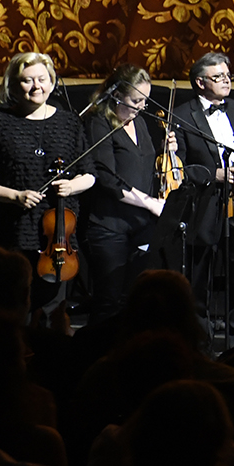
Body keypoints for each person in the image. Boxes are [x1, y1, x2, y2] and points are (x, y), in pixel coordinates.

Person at [0, 52, 96, 306]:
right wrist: (14, 196)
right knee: (9, 306)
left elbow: (89, 175)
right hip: (12, 233)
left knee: (51, 310)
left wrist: (72, 186)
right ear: (13, 85)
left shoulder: (69, 123)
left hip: (58, 238)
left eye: (42, 79)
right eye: (27, 80)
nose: (36, 86)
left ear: (52, 82)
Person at [79, 65, 179, 327]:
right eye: (136, 101)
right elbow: (107, 178)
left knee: (136, 299)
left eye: (145, 100)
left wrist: (165, 150)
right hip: (109, 226)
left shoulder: (140, 122)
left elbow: (140, 164)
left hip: (141, 225)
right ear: (116, 95)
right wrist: (149, 203)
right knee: (108, 300)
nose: (142, 107)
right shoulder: (99, 122)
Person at [169, 52, 234, 330]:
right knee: (199, 276)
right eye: (218, 77)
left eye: (227, 75)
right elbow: (178, 167)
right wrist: (215, 175)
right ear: (200, 82)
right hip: (204, 206)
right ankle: (200, 334)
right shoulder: (182, 115)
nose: (226, 81)